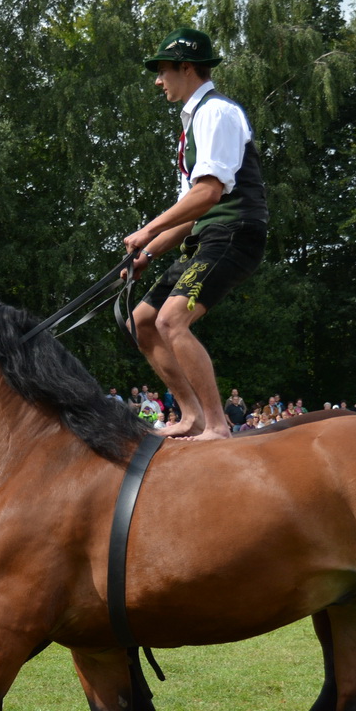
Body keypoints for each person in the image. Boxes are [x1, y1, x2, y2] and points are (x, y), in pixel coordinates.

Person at [123, 27, 268, 442]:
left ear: (186, 68)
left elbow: (208, 193)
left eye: (162, 70)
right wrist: (147, 253)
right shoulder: (195, 121)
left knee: (172, 321)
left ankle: (218, 426)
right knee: (143, 321)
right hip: (210, 234)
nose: (157, 80)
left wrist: (147, 229)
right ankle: (192, 418)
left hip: (235, 231)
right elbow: (191, 214)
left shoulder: (216, 113)